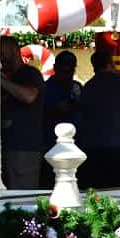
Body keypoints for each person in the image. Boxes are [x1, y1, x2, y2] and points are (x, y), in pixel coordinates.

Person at [77, 49, 120, 189]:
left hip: (92, 149)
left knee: (98, 194)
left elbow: (81, 118)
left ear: (94, 66)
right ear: (110, 63)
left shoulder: (88, 86)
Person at [0, 36, 44, 189]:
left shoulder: (30, 74)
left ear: (14, 50)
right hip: (7, 147)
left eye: (2, 53)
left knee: (22, 196)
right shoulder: (10, 77)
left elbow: (29, 96)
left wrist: (0, 80)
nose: (0, 58)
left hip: (25, 147)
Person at [40, 50, 81, 188]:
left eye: (70, 71)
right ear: (55, 68)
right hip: (50, 146)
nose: (68, 74)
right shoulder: (45, 88)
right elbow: (37, 115)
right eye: (64, 71)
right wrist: (55, 109)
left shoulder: (77, 87)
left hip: (76, 146)